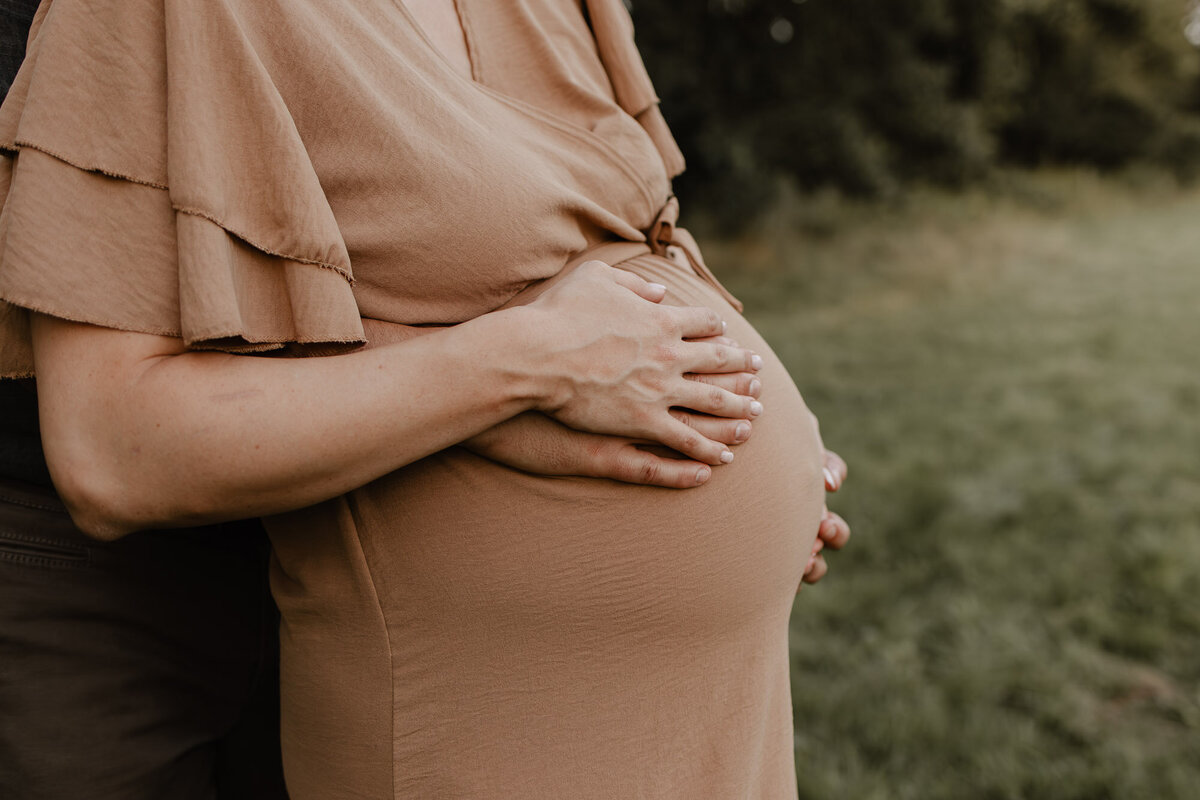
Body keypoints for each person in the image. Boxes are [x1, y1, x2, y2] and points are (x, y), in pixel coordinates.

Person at [0, 0, 850, 797]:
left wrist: (732, 410)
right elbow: (110, 449)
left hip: (700, 709)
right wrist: (528, 364)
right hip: (459, 699)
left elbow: (620, 234)